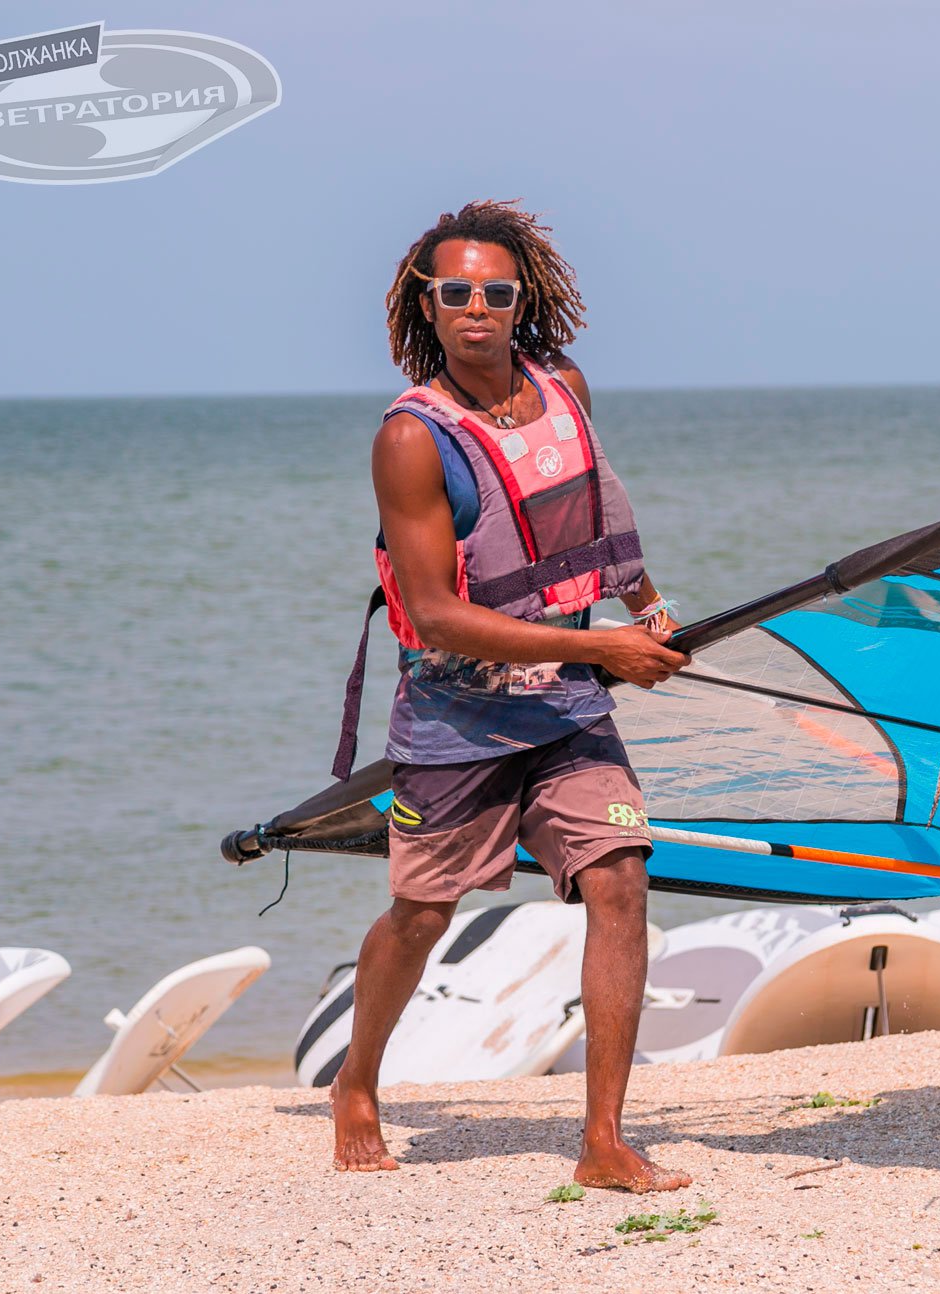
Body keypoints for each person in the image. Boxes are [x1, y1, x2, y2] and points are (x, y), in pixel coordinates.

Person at [327, 200, 691, 1191]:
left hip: (569, 706)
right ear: (428, 305)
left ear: (522, 298)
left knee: (619, 877)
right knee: (420, 914)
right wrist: (604, 647)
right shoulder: (411, 439)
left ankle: (603, 1140)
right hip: (455, 719)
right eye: (456, 293)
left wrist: (648, 614)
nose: (477, 308)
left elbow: (597, 523)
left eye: (496, 291)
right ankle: (356, 1081)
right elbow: (437, 614)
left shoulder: (564, 388)